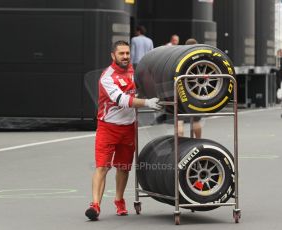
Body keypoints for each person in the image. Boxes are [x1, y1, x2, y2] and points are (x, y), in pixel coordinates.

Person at [85, 40, 162, 221]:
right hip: (107, 127)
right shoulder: (106, 77)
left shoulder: (135, 72)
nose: (126, 57)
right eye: (122, 54)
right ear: (113, 56)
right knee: (102, 167)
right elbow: (122, 100)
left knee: (123, 168)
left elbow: (145, 88)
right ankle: (95, 205)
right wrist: (147, 103)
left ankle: (119, 200)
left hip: (128, 127)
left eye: (128, 53)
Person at [178, 38, 202, 138]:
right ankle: (198, 141)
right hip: (194, 93)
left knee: (179, 120)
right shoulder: (200, 58)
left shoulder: (180, 57)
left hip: (180, 91)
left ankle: (179, 145)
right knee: (196, 120)